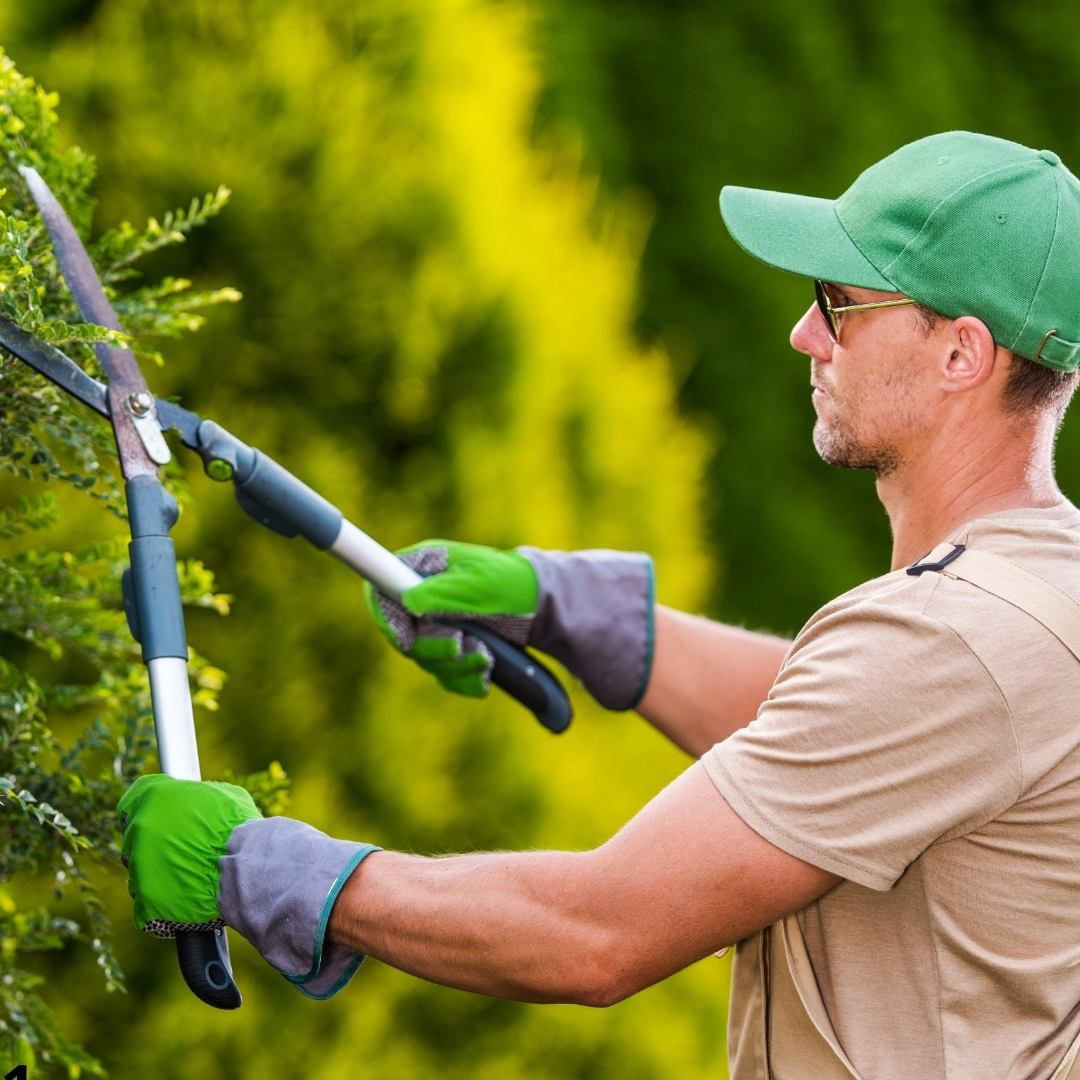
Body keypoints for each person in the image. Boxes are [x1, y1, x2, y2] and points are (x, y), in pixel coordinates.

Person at [120, 131, 1080, 1080]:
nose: (804, 333)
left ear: (962, 354)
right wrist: (576, 610)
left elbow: (595, 933)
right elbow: (843, 736)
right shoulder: (1036, 590)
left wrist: (265, 871)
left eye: (841, 303)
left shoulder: (949, 642)